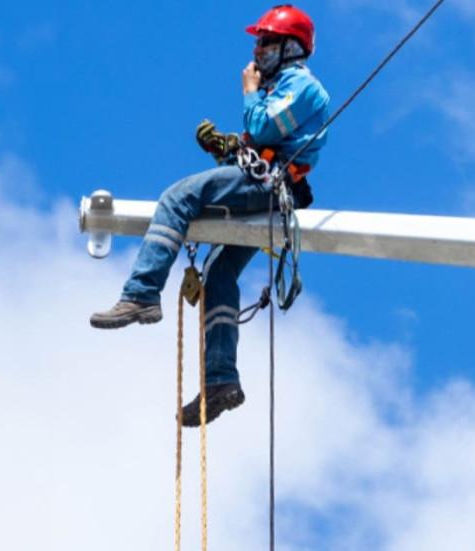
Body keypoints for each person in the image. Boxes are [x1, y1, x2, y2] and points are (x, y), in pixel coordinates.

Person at [90, 4, 330, 427]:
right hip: (268, 184)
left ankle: (142, 293)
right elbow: (261, 140)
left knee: (178, 198)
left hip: (271, 187)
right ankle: (221, 379)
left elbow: (263, 128)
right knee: (220, 273)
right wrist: (227, 147)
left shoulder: (304, 87)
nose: (258, 51)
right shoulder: (285, 87)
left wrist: (250, 91)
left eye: (266, 42)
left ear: (291, 47)